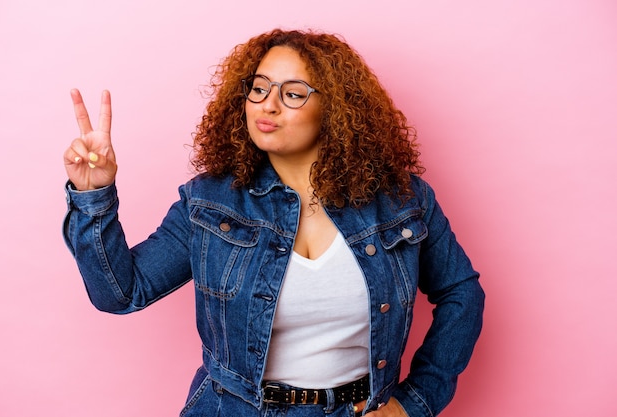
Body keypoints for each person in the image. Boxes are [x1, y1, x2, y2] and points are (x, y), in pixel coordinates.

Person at [62, 28, 484, 417]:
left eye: (294, 93)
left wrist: (416, 402)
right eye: (259, 88)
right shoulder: (209, 202)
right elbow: (120, 293)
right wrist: (93, 196)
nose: (268, 104)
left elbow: (461, 292)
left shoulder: (401, 200)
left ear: (335, 107)